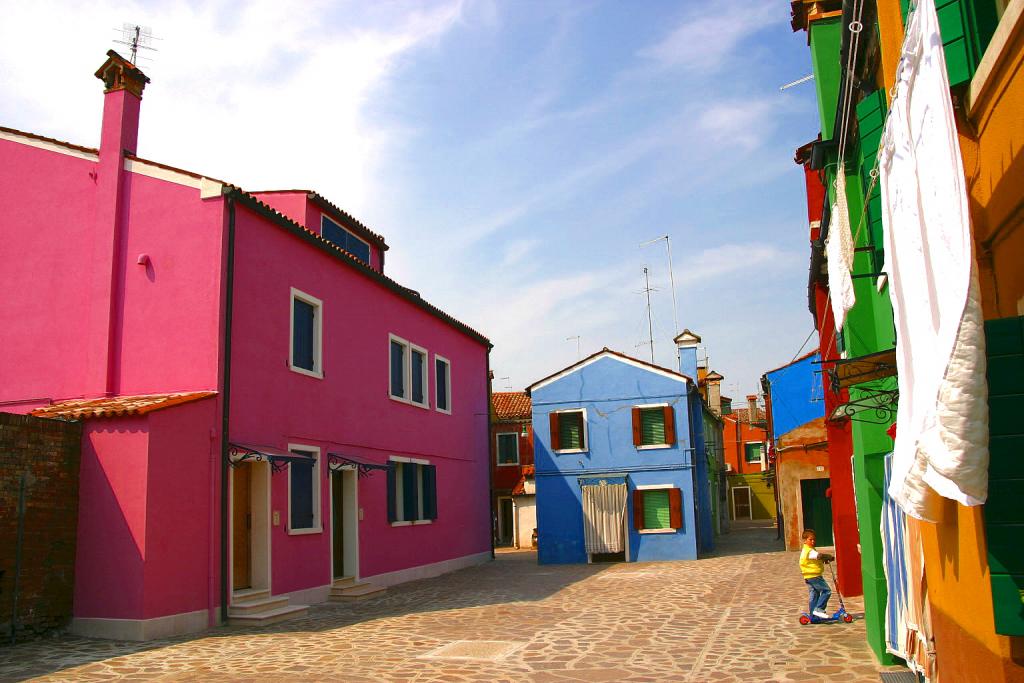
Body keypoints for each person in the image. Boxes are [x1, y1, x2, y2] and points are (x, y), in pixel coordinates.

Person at [800, 528, 834, 619]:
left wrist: (823, 560)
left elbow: (815, 559)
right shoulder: (809, 551)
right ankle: (818, 609)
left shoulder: (808, 549)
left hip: (808, 576)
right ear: (804, 540)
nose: (813, 541)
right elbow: (818, 556)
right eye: (810, 539)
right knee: (827, 591)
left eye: (814, 539)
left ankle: (814, 617)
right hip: (814, 576)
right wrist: (828, 557)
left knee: (814, 595)